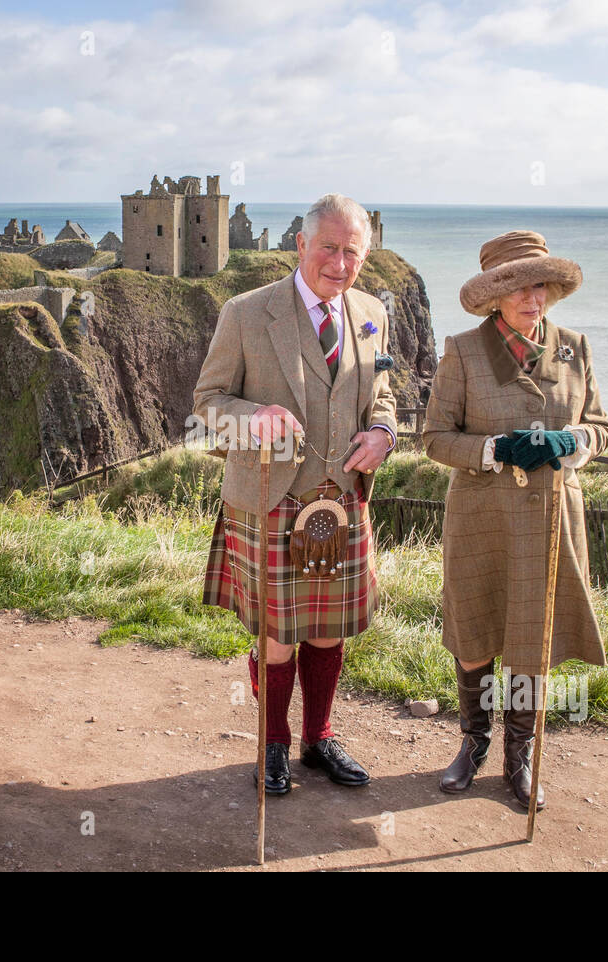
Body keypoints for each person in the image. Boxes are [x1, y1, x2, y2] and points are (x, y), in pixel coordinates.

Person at [195, 193, 398, 795]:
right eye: (328, 248)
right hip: (271, 495)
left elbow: (380, 394)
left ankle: (318, 737)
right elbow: (207, 404)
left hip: (343, 502)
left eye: (352, 252)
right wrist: (254, 417)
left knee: (328, 628)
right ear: (301, 245)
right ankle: (273, 743)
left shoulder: (370, 312)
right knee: (278, 635)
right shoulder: (246, 312)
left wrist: (384, 432)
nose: (339, 263)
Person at [421, 229, 608, 809]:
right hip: (482, 516)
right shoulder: (462, 350)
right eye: (519, 287)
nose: (534, 298)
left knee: (532, 638)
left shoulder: (575, 346)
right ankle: (472, 745)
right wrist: (496, 449)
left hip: (550, 519)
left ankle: (519, 755)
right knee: (475, 633)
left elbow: (602, 427)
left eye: (541, 286)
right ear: (494, 295)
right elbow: (433, 439)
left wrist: (572, 439)